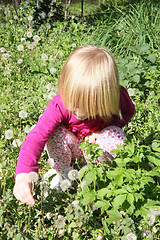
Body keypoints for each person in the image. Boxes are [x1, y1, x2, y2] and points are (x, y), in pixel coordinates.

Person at [13, 45, 136, 206]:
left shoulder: (118, 98)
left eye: (86, 106)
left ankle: (104, 177)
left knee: (114, 134)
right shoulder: (59, 106)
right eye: (72, 102)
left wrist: (101, 131)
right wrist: (23, 174)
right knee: (55, 133)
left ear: (107, 98)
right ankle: (63, 174)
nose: (76, 110)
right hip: (73, 149)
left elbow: (126, 114)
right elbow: (36, 138)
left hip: (97, 150)